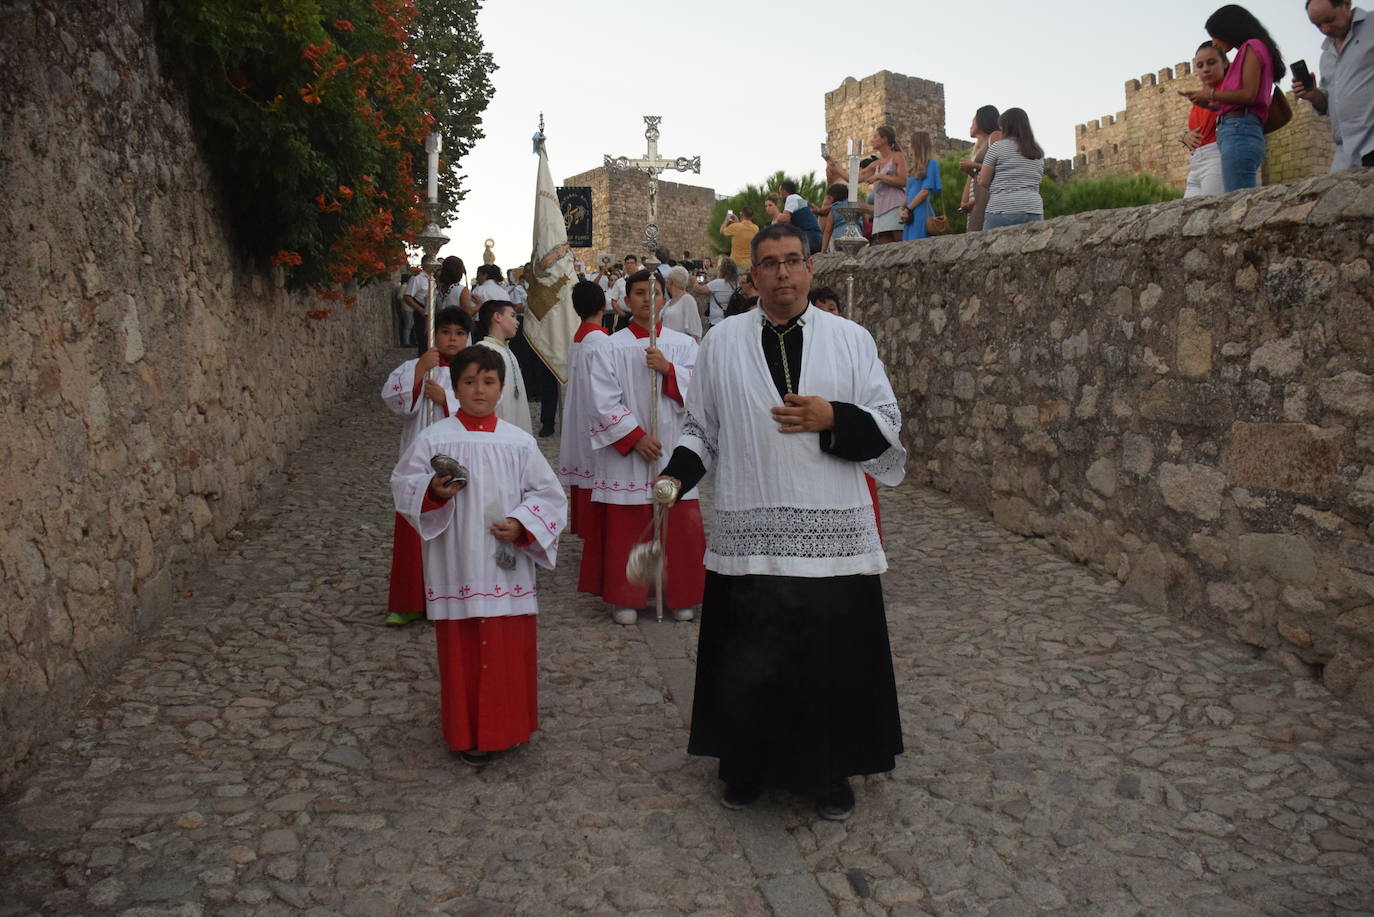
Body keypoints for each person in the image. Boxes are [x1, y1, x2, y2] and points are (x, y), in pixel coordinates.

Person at [657, 222, 906, 822]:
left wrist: (834, 417)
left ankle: (831, 773)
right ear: (753, 276)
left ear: (811, 267)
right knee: (750, 657)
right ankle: (746, 766)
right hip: (751, 526)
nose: (783, 273)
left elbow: (888, 428)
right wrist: (676, 476)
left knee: (830, 660)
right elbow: (700, 430)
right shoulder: (721, 343)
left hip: (832, 530)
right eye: (769, 263)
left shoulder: (851, 340)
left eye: (793, 260)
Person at [391, 344, 565, 764]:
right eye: (469, 382)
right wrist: (433, 492)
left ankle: (509, 728)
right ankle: (467, 731)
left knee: (507, 648)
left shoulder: (519, 442)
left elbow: (549, 496)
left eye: (488, 382)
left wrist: (522, 523)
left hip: (506, 564)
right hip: (457, 561)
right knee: (463, 649)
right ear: (455, 387)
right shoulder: (435, 439)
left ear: (501, 388)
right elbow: (404, 484)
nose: (479, 390)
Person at [579, 269, 705, 626]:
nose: (647, 299)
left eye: (654, 292)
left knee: (677, 524)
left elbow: (702, 394)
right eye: (638, 293)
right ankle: (627, 595)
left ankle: (679, 593)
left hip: (673, 446)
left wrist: (669, 370)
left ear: (665, 298)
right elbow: (601, 401)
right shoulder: (609, 346)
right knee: (628, 525)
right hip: (629, 456)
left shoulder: (684, 346)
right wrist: (635, 437)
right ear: (626, 300)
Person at [380, 307, 470, 627]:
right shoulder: (414, 367)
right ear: (434, 333)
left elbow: (484, 407)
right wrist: (420, 371)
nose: (452, 339)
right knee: (414, 525)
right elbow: (394, 401)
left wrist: (447, 400)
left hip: (455, 456)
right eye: (445, 332)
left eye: (459, 333)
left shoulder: (472, 372)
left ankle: (450, 598)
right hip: (418, 460)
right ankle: (409, 600)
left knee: (454, 532)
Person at [1187, 5, 1286, 191]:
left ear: (1228, 30)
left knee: (1238, 199)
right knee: (1236, 198)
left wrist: (1211, 94)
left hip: (1240, 131)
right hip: (1237, 130)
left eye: (1215, 35)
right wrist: (1214, 106)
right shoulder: (1250, 50)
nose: (1214, 43)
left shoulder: (1252, 47)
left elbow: (1248, 95)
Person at [558, 280, 612, 539]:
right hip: (595, 414)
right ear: (604, 305)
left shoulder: (579, 337)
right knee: (595, 467)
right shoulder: (600, 341)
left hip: (580, 412)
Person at [1293, 0, 1374, 170]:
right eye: (1317, 25)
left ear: (1346, 4)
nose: (1325, 29)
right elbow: (1329, 105)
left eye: (1329, 20)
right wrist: (1313, 95)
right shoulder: (1326, 56)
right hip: (1345, 154)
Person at [979, 108, 1046, 229]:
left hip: (1002, 208)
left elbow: (984, 180)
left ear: (1005, 127)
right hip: (1033, 210)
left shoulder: (997, 147)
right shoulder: (1038, 152)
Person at [475, 300, 533, 434]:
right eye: (512, 316)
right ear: (497, 317)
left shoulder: (507, 349)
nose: (517, 322)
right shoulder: (484, 350)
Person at [1184, 42, 1229, 197]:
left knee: (1211, 207)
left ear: (1224, 63)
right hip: (1195, 163)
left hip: (1216, 158)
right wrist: (1186, 136)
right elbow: (1198, 128)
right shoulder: (1200, 97)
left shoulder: (1229, 91)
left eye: (1211, 63)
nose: (1205, 69)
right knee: (1187, 210)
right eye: (1200, 65)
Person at [858, 126, 907, 243]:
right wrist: (834, 165)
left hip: (895, 206)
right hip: (880, 211)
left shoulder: (897, 156)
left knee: (900, 244)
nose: (872, 140)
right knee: (884, 247)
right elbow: (855, 179)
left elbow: (903, 181)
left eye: (875, 137)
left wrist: (880, 176)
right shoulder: (877, 163)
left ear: (884, 139)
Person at [959, 106, 1002, 232]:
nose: (971, 126)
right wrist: (964, 202)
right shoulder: (977, 150)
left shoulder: (994, 138)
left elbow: (999, 168)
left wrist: (972, 165)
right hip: (976, 203)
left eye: (973, 122)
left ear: (982, 120)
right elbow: (972, 178)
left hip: (986, 200)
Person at [900, 131, 943, 242]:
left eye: (911, 143)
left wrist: (908, 209)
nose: (909, 146)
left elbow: (925, 191)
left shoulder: (932, 164)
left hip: (921, 213)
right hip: (910, 215)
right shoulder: (912, 169)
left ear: (917, 145)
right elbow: (907, 194)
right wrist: (902, 209)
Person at [775, 179, 824, 256]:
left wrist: (776, 216)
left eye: (780, 193)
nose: (780, 196)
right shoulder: (799, 199)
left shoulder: (791, 197)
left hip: (809, 238)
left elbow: (785, 218)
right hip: (817, 238)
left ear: (783, 191)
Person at [662, 265, 704, 340]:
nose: (666, 281)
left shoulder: (687, 300)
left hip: (680, 345)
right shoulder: (669, 302)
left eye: (667, 279)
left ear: (671, 281)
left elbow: (693, 332)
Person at [695, 257, 739, 328]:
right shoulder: (736, 283)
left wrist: (694, 281)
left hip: (717, 321)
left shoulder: (717, 283)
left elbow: (700, 290)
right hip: (732, 321)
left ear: (722, 270)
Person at [402, 266, 434, 354]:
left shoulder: (436, 279)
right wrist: (421, 310)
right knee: (424, 343)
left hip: (434, 313)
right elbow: (407, 297)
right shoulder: (417, 279)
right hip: (422, 312)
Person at [819, 183, 851, 253]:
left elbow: (827, 231)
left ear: (831, 198)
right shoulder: (855, 205)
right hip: (856, 237)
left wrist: (823, 251)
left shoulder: (834, 208)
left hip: (839, 238)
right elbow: (865, 221)